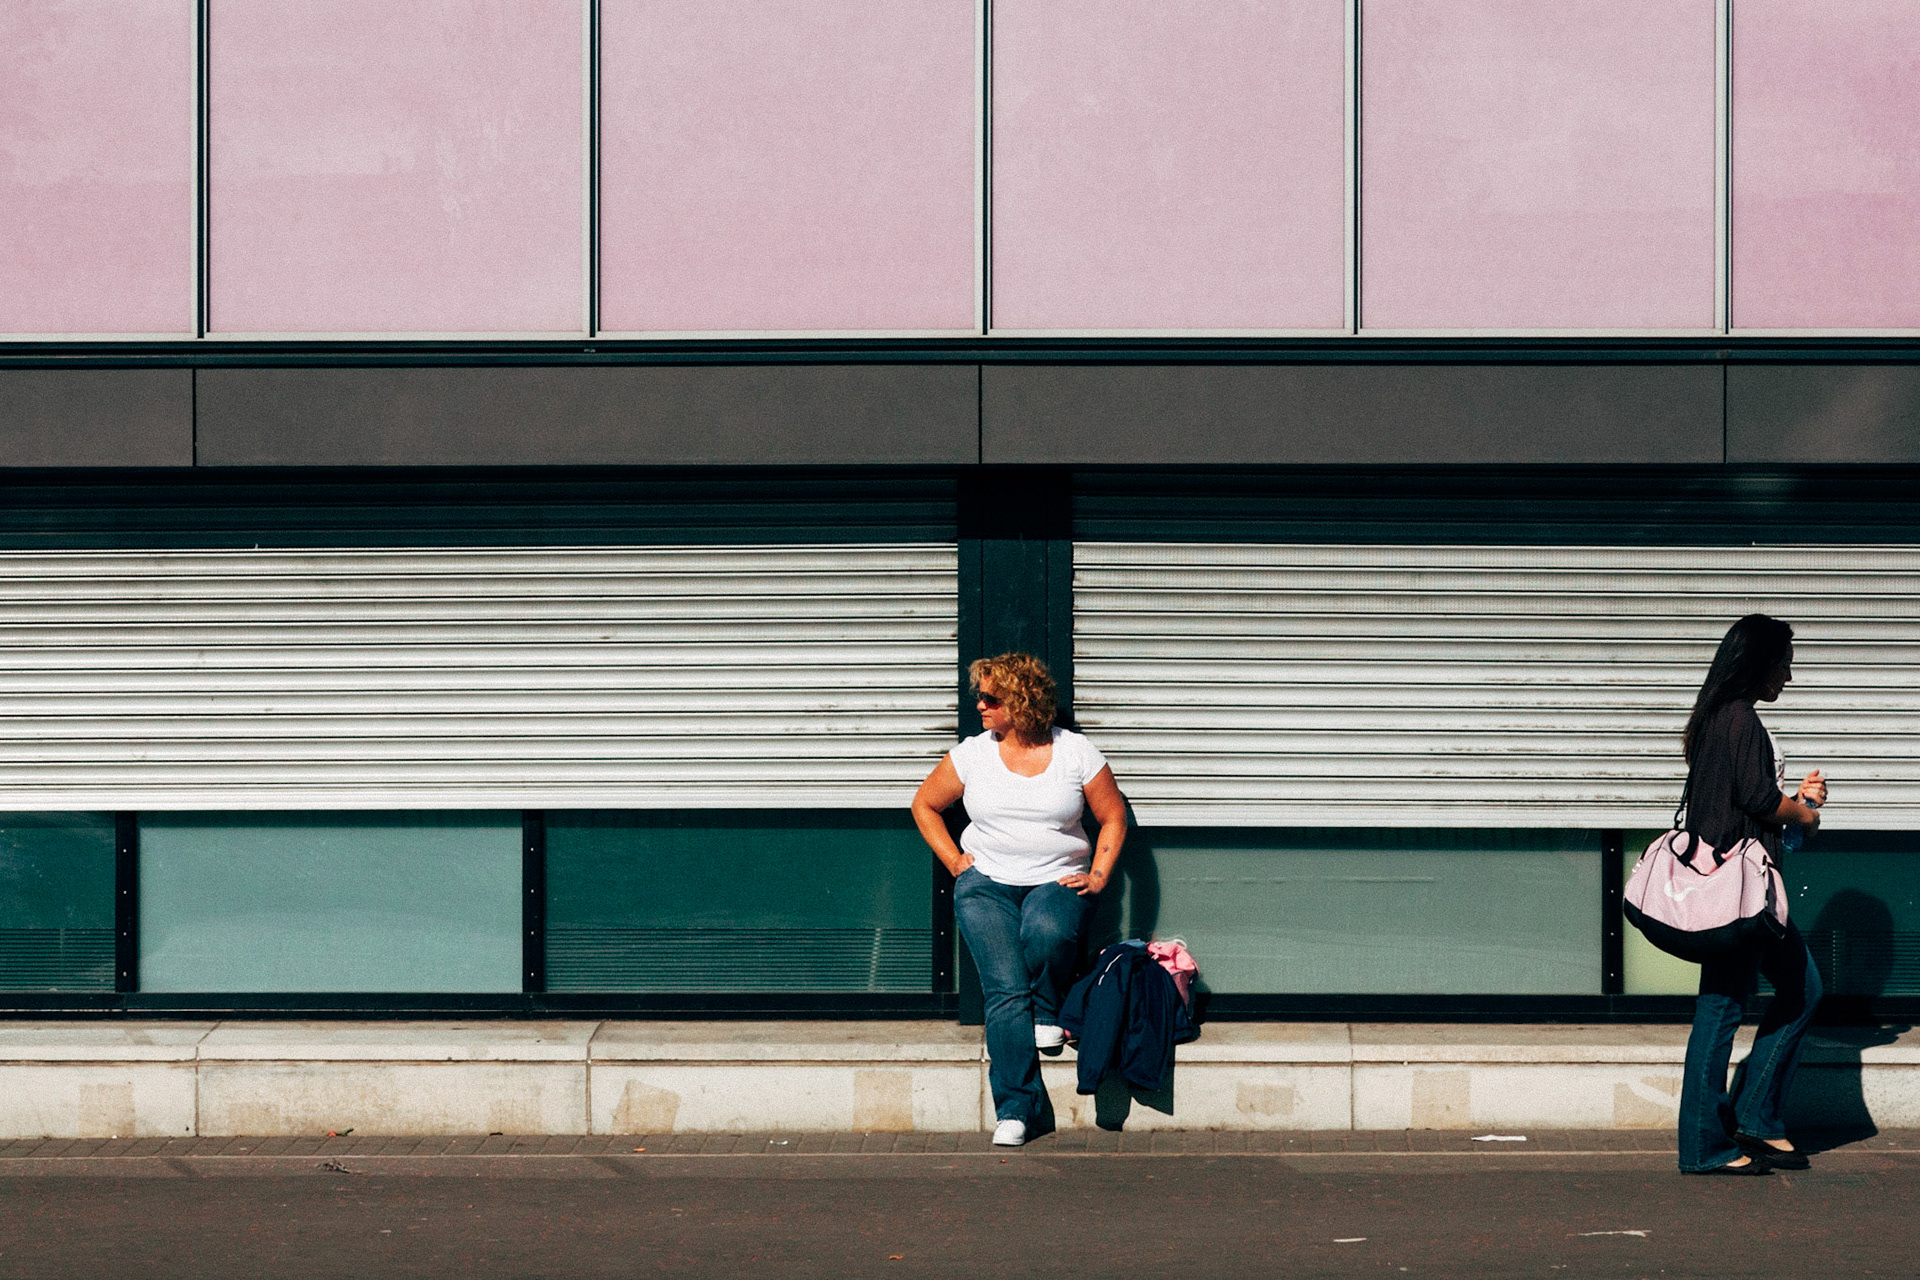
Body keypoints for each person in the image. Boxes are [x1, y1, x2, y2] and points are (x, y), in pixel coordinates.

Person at [910, 652, 1126, 1148]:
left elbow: (1112, 816)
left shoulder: (1076, 753)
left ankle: (1047, 1008)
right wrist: (954, 861)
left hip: (1057, 879)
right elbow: (925, 804)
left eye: (991, 698)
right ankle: (1016, 1108)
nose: (980, 705)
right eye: (979, 696)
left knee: (1047, 931)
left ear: (1022, 702)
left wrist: (1097, 875)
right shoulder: (972, 754)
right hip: (986, 883)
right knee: (1004, 993)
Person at [1676, 614, 1829, 1175]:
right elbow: (1761, 803)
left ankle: (1755, 1119)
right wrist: (1806, 812)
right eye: (1783, 663)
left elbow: (1748, 800)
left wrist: (1795, 797)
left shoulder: (1719, 719)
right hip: (1739, 892)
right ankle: (1707, 1144)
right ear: (1759, 663)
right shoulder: (1740, 720)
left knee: (1788, 991)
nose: (1787, 675)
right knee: (1727, 1009)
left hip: (1735, 885)